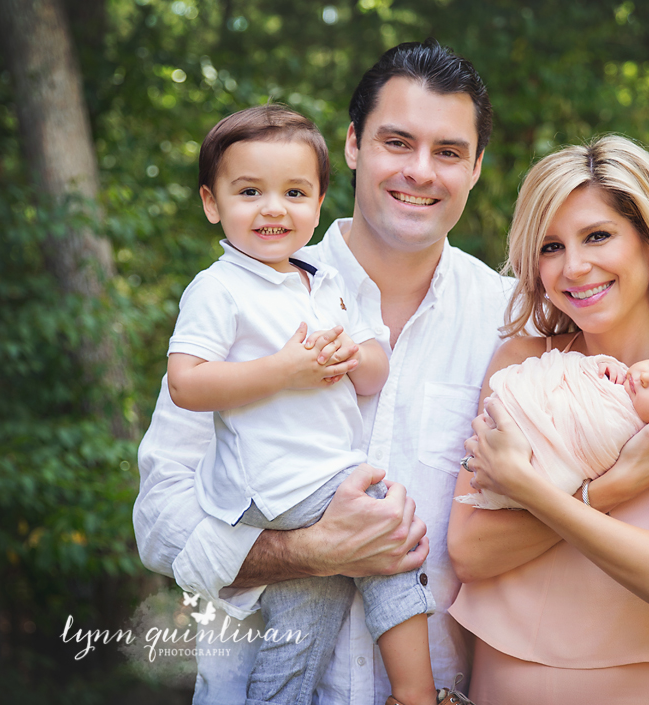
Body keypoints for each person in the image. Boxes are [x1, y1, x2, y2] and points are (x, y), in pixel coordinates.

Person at [133, 40, 649, 705]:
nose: (419, 171)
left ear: (477, 166)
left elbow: (559, 494)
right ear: (352, 146)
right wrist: (311, 550)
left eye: (449, 152)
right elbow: (160, 518)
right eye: (397, 142)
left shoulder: (516, 330)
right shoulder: (243, 297)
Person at [447, 134, 649, 703]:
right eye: (550, 247)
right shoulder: (524, 363)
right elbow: (473, 552)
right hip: (507, 685)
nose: (574, 267)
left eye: (597, 236)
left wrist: (537, 491)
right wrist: (614, 485)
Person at [164, 103, 458, 705]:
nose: (274, 208)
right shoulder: (218, 287)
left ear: (319, 202)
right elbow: (185, 384)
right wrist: (284, 371)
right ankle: (417, 693)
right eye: (250, 191)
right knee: (389, 531)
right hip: (278, 481)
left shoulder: (322, 282)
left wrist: (351, 354)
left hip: (303, 484)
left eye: (294, 192)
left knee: (303, 624)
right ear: (211, 203)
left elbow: (373, 372)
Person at [456, 344, 649, 511]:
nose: (645, 377)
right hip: (513, 416)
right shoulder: (620, 378)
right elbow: (575, 372)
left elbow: (591, 439)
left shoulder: (635, 432)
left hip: (540, 461)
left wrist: (516, 473)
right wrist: (599, 366)